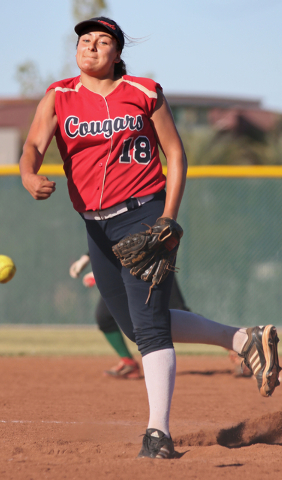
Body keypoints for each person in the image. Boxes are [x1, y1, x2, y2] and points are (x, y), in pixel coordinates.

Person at [19, 16, 281, 459]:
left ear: (118, 53)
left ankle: (157, 433)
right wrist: (27, 175)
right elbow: (32, 147)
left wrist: (169, 218)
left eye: (103, 41)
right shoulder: (58, 96)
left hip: (142, 214)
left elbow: (175, 154)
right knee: (133, 325)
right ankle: (244, 339)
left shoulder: (143, 92)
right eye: (85, 40)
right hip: (95, 226)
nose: (92, 47)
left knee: (150, 328)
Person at [69, 253, 191, 379]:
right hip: (122, 270)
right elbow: (104, 239)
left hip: (149, 262)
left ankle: (212, 333)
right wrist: (87, 258)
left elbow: (126, 238)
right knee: (104, 317)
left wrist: (102, 270)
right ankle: (128, 363)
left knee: (179, 315)